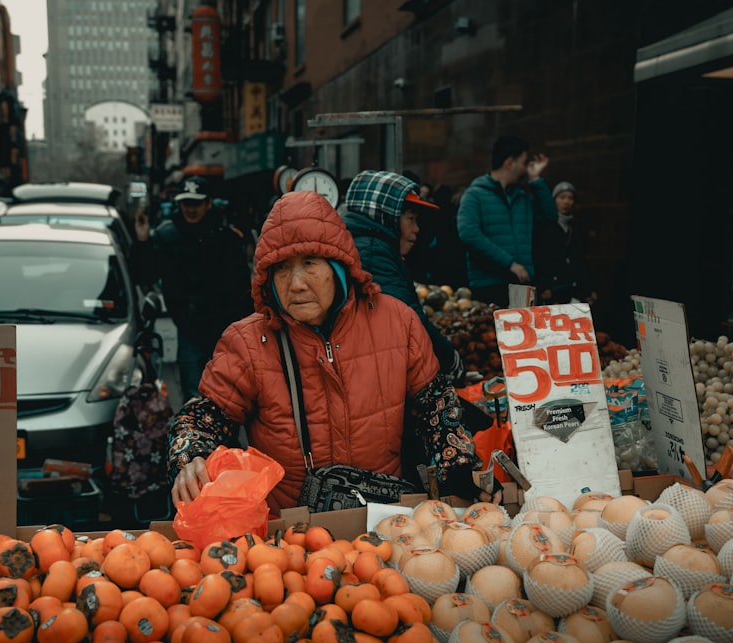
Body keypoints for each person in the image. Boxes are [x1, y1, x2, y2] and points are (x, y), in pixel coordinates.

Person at [167, 190, 493, 513]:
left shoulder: (398, 322)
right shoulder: (249, 341)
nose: (295, 283)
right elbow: (203, 416)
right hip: (290, 535)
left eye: (309, 263)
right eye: (281, 268)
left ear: (338, 267)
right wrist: (191, 454)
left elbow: (437, 410)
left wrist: (459, 465)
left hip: (386, 519)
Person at [129, 176, 253, 401]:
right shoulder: (167, 237)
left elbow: (242, 286)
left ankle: (224, 437)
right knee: (193, 399)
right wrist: (143, 241)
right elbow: (145, 274)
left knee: (229, 398)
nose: (191, 209)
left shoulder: (226, 239)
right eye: (186, 203)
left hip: (225, 332)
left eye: (196, 203)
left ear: (208, 203)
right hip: (189, 331)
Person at [342, 169, 465, 385]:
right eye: (410, 219)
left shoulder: (372, 246)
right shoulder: (371, 253)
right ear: (387, 216)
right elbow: (409, 319)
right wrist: (450, 359)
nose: (416, 229)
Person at [456, 135, 558, 307]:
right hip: (489, 283)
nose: (526, 169)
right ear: (510, 162)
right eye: (525, 162)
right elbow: (469, 234)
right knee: (492, 333)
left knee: (522, 333)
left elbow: (550, 218)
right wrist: (509, 264)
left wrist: (536, 181)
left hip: (523, 284)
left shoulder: (522, 197)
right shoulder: (474, 195)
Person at [534, 181, 598, 306]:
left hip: (573, 289)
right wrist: (544, 286)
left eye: (570, 198)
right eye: (562, 197)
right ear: (554, 200)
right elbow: (540, 257)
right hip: (553, 288)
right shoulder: (545, 226)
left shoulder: (575, 228)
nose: (566, 202)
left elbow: (581, 260)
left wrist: (589, 288)